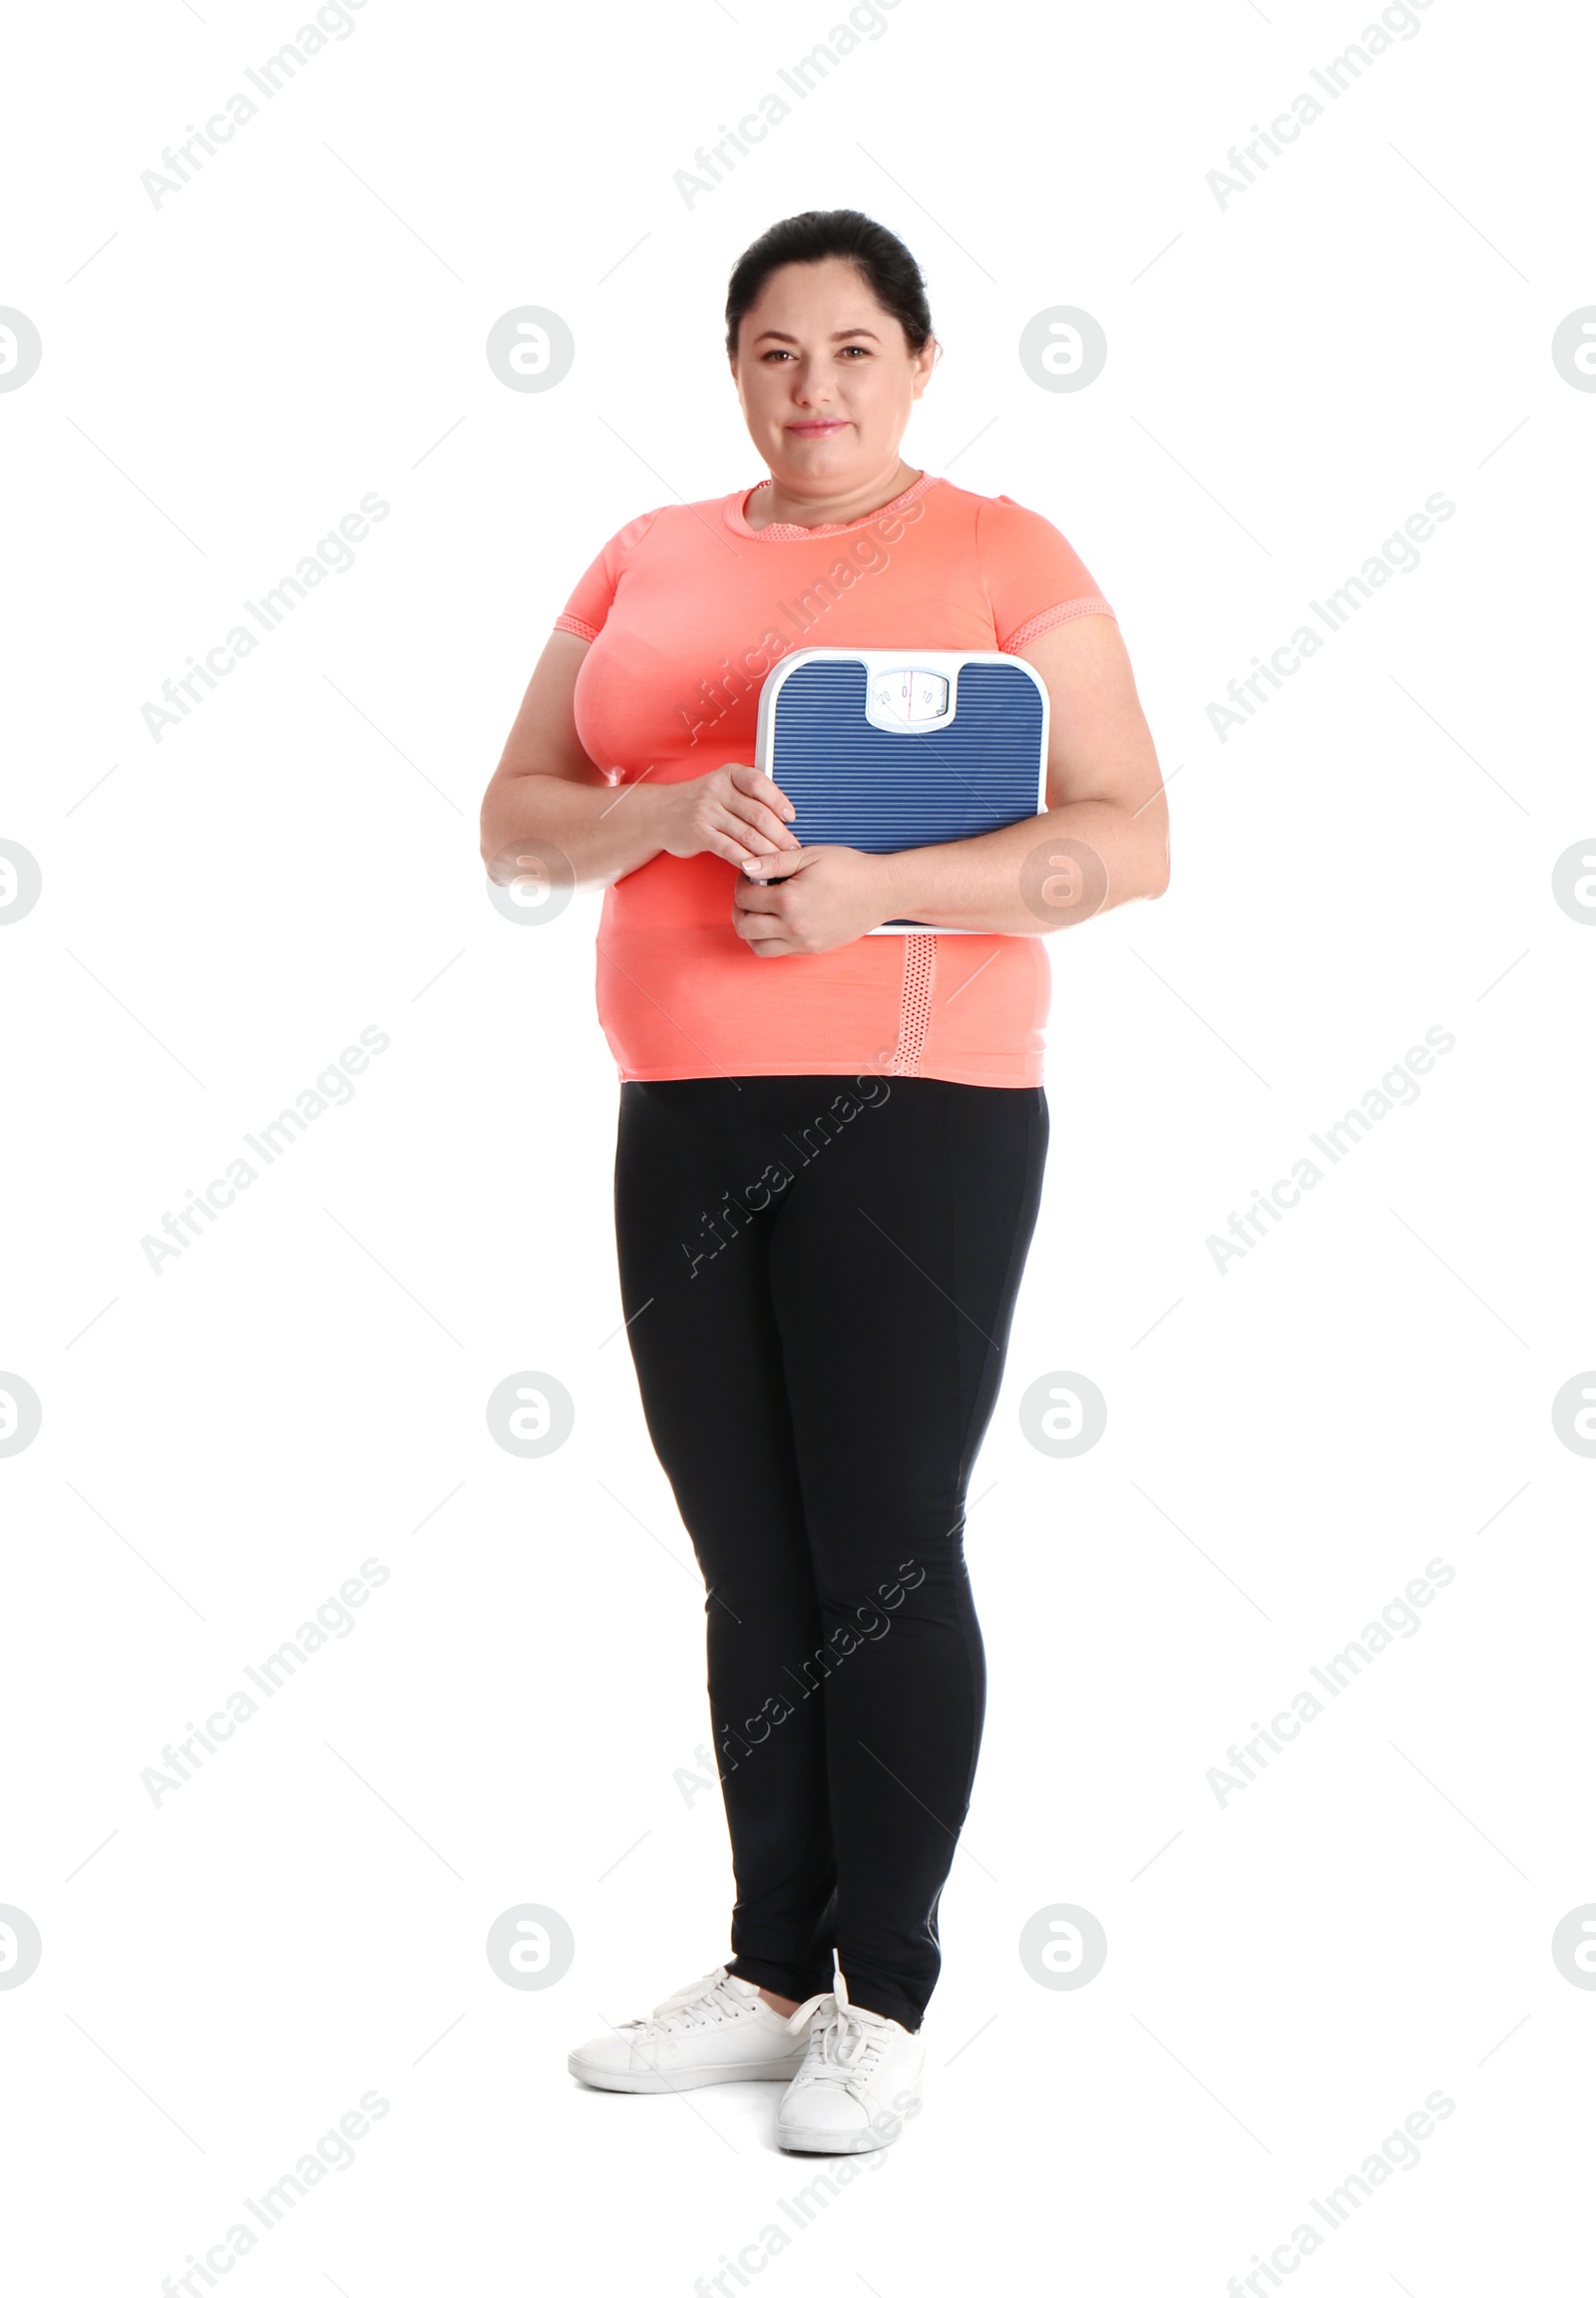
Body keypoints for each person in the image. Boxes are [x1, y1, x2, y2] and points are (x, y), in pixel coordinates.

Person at [479, 207, 1169, 2153]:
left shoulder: (1004, 553)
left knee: (880, 1550)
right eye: (776, 352)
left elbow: (1128, 842)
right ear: (732, 366)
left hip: (916, 1101)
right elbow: (517, 820)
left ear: (919, 364)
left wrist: (878, 889)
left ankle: (888, 1988)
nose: (814, 389)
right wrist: (665, 810)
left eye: (853, 351)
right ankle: (770, 1969)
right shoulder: (647, 552)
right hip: (678, 1101)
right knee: (748, 1558)